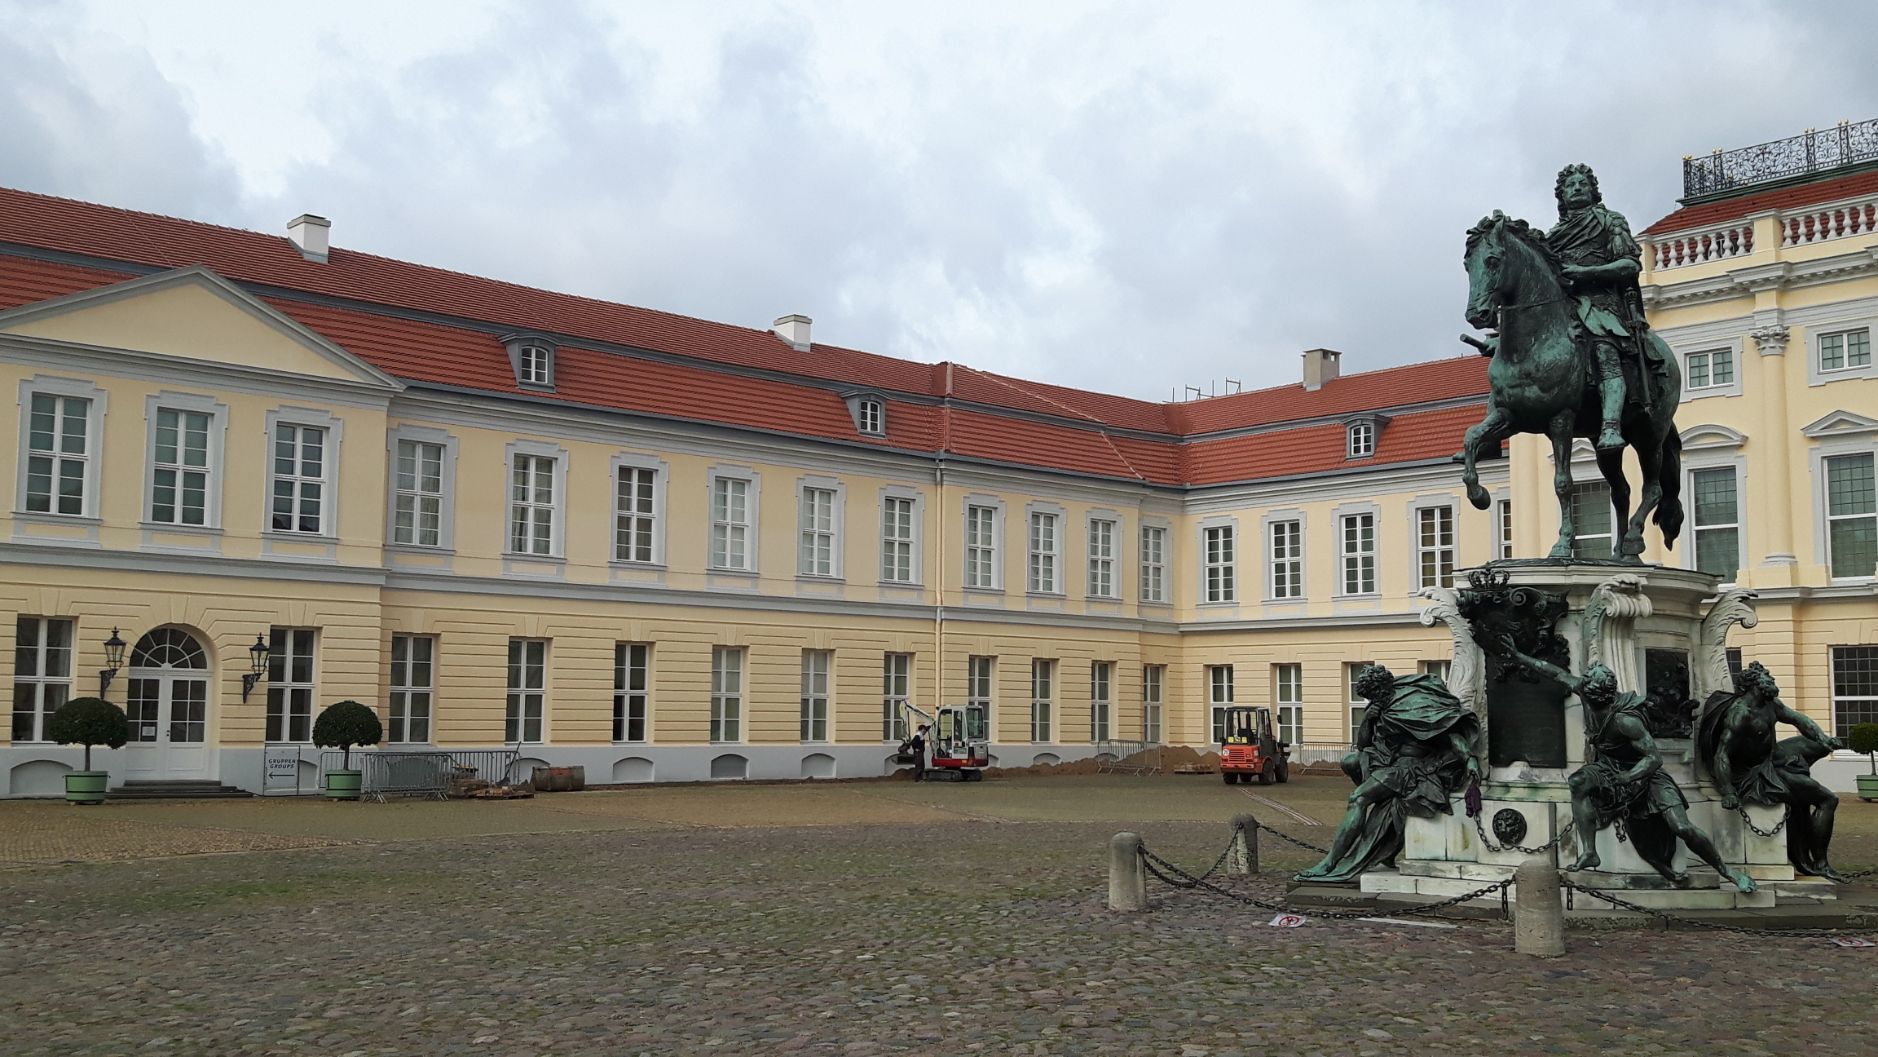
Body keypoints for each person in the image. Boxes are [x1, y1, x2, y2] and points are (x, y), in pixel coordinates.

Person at [1500, 640, 1756, 893]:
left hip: (1646, 773)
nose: (1583, 694)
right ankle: (1590, 851)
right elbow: (1554, 672)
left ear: (1603, 695)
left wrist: (1628, 777)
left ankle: (1727, 871)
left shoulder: (1625, 720)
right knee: (1577, 781)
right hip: (1609, 767)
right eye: (1584, 690)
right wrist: (1519, 656)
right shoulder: (1586, 690)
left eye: (1590, 693)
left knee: (1682, 827)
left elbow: (1654, 758)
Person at [1295, 665, 1481, 883]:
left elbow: (1451, 734)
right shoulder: (1379, 706)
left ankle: (1330, 862)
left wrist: (1469, 758)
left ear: (1382, 688)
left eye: (1374, 696)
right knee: (1349, 761)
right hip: (1385, 760)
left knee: (1358, 799)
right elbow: (1363, 745)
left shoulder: (1416, 702)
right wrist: (1368, 720)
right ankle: (1373, 807)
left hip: (1410, 767)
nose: (1373, 701)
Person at [1697, 662, 1844, 879]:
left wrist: (1824, 738)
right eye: (1768, 678)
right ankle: (1820, 862)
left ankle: (1797, 772)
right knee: (1828, 799)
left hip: (1770, 757)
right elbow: (1722, 754)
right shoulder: (1740, 713)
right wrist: (1728, 791)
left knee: (1819, 745)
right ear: (1755, 684)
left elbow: (1799, 720)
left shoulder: (1770, 704)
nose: (1772, 681)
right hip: (1752, 772)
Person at [1544, 163, 1647, 451]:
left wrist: (1585, 273)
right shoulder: (1552, 236)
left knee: (1604, 349)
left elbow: (1629, 264)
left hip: (1602, 302)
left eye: (1582, 183)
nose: (1576, 188)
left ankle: (1612, 425)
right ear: (1561, 195)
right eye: (1570, 185)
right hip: (1564, 306)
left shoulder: (1610, 221)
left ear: (1593, 190)